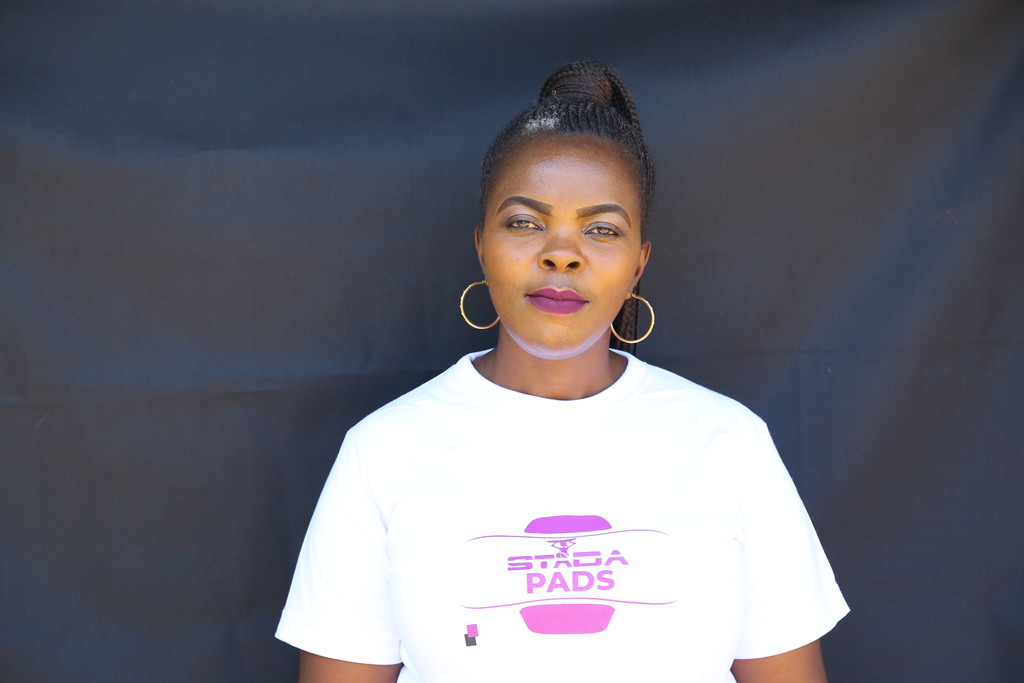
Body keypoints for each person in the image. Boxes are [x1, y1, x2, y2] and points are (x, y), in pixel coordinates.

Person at [276, 61, 849, 683]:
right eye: (525, 222)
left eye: (601, 230)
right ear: (481, 246)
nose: (562, 255)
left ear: (638, 264)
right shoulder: (383, 452)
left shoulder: (730, 443)